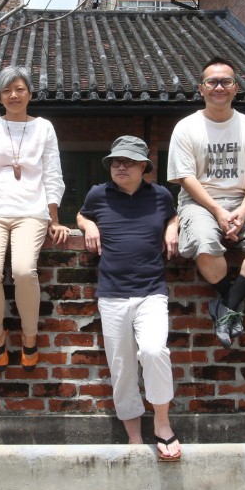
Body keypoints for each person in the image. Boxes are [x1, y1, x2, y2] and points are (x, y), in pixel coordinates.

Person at [167, 56, 245, 349]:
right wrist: (219, 211)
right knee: (202, 242)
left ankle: (227, 306)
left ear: (236, 88)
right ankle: (231, 304)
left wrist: (243, 211)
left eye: (226, 81)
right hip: (200, 203)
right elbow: (186, 178)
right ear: (201, 88)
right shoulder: (186, 127)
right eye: (212, 81)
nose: (219, 87)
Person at [0, 67, 69, 374]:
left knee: (23, 270)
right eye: (7, 90)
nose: (14, 95)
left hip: (31, 212)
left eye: (20, 89)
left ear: (30, 93)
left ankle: (30, 337)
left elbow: (52, 174)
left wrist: (55, 218)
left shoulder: (44, 127)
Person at [77, 136, 182, 462]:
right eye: (115, 161)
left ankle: (163, 424)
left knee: (153, 351)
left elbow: (175, 215)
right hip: (112, 294)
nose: (120, 166)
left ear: (143, 167)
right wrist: (88, 224)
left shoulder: (160, 195)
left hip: (151, 291)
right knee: (121, 368)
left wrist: (172, 227)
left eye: (128, 161)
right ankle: (134, 438)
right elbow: (80, 215)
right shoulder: (98, 194)